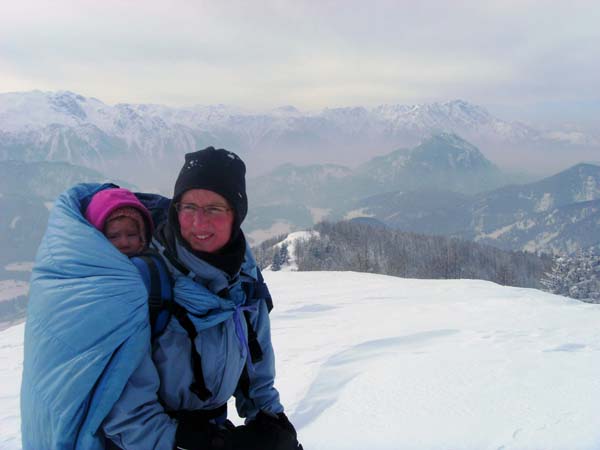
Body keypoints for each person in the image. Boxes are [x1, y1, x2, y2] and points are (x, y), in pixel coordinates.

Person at [20, 147, 302, 450]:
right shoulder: (142, 283)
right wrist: (197, 442)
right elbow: (121, 410)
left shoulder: (244, 278)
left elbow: (255, 360)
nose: (198, 223)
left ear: (237, 214)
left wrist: (270, 417)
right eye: (189, 207)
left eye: (214, 209)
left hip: (206, 431)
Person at [84, 187, 154, 256]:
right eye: (113, 237)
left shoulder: (152, 261)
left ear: (142, 235)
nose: (124, 244)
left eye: (131, 235)